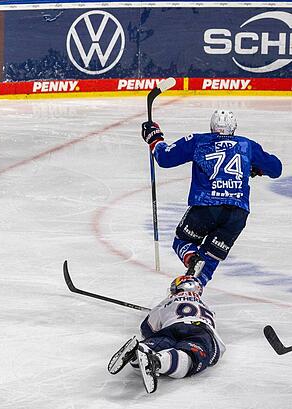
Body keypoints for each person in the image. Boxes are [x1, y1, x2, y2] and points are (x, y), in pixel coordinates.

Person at [142, 109, 283, 285]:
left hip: (206, 208)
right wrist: (258, 168)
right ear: (234, 128)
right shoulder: (247, 145)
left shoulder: (198, 141)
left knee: (183, 241)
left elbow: (165, 157)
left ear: (211, 127)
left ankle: (192, 259)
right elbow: (276, 168)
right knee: (210, 257)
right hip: (237, 214)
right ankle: (194, 287)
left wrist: (154, 138)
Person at [108, 276, 225, 394]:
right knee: (191, 357)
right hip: (200, 330)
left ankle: (141, 350)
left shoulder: (168, 302)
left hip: (172, 327)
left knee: (162, 341)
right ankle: (158, 362)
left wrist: (153, 336)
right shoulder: (206, 307)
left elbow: (147, 328)